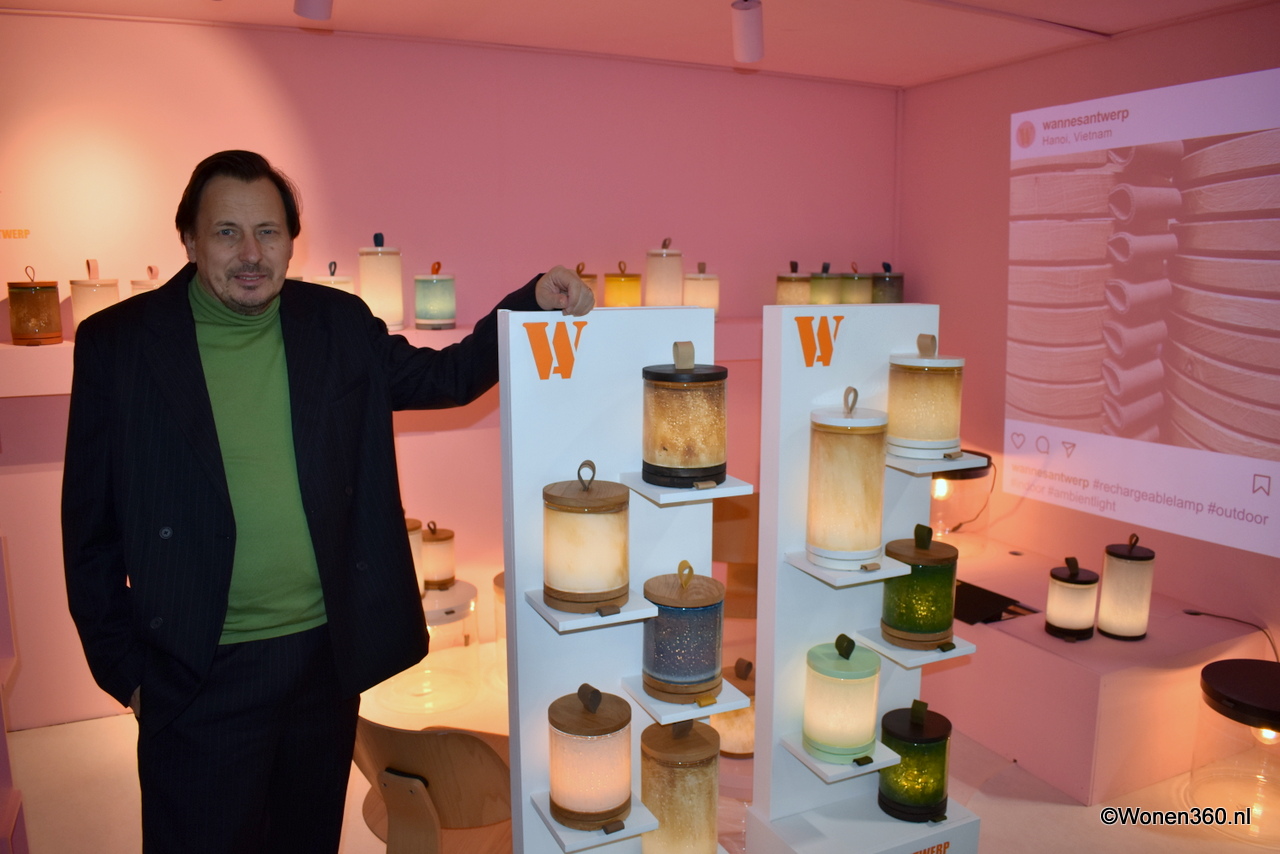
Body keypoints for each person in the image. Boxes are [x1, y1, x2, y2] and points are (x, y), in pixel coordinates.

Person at [61, 149, 593, 853]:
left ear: (291, 241)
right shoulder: (119, 345)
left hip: (320, 664)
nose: (251, 254)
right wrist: (128, 675)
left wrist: (531, 302)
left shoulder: (337, 324)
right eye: (227, 233)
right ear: (188, 239)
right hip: (194, 673)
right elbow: (89, 531)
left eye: (269, 232)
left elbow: (449, 377)